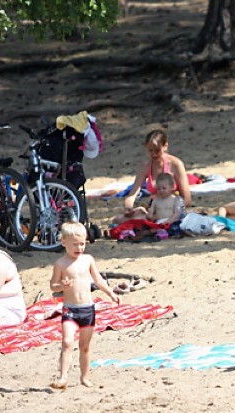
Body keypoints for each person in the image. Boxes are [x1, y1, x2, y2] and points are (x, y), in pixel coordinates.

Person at [49, 222, 120, 389]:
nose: (79, 247)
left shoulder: (88, 260)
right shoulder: (60, 264)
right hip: (70, 309)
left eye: (82, 243)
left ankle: (85, 376)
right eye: (75, 244)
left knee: (85, 347)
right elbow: (53, 286)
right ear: (63, 242)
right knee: (67, 342)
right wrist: (62, 286)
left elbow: (98, 280)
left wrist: (110, 293)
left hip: (87, 309)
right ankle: (63, 377)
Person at [114, 129, 191, 225]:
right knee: (118, 219)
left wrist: (170, 207)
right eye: (150, 150)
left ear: (165, 146)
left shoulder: (176, 164)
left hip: (171, 209)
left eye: (157, 150)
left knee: (139, 220)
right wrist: (128, 206)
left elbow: (187, 199)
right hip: (154, 208)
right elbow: (133, 194)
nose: (154, 154)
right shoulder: (145, 166)